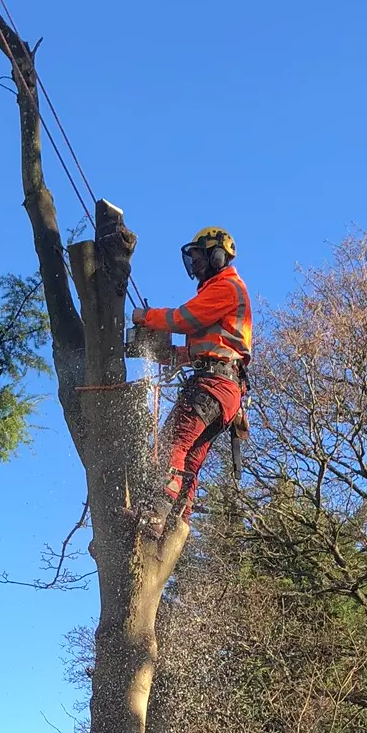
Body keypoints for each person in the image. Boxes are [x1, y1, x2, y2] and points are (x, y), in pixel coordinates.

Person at [133, 226, 253, 536]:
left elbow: (183, 319)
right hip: (224, 390)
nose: (196, 266)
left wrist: (144, 317)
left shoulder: (227, 288)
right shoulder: (219, 296)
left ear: (217, 255)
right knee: (191, 459)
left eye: (200, 258)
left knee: (174, 440)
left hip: (213, 386)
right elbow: (194, 351)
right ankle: (178, 524)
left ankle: (156, 512)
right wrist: (157, 352)